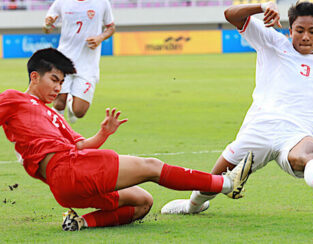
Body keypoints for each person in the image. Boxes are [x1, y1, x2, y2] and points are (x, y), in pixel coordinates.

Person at [0, 48, 253, 231]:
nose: (59, 88)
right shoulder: (14, 99)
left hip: (67, 186)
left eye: (62, 82)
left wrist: (103, 134)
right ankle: (226, 184)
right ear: (34, 77)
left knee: (144, 202)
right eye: (54, 80)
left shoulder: (53, 115)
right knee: (151, 166)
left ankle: (79, 222)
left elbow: (80, 145)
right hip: (68, 169)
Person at [161, 1, 313, 215]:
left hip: (295, 136)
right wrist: (263, 6)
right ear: (290, 29)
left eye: (312, 31)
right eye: (299, 30)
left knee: (312, 151)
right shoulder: (272, 41)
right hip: (257, 132)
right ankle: (192, 206)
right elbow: (231, 15)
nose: (305, 37)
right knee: (215, 180)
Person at [42, 0, 115, 124]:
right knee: (58, 102)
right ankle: (59, 138)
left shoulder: (102, 2)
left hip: (88, 65)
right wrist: (47, 24)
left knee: (79, 112)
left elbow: (111, 27)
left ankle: (71, 105)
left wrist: (99, 38)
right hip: (64, 60)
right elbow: (47, 28)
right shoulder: (62, 1)